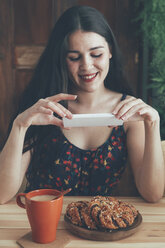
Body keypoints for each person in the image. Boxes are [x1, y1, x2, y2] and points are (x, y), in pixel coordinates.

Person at [0, 5, 164, 204]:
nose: (86, 65)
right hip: (44, 225)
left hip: (98, 228)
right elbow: (2, 195)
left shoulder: (127, 111)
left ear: (110, 50)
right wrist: (19, 126)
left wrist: (153, 123)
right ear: (62, 58)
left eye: (96, 54)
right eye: (74, 57)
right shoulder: (44, 108)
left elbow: (153, 194)